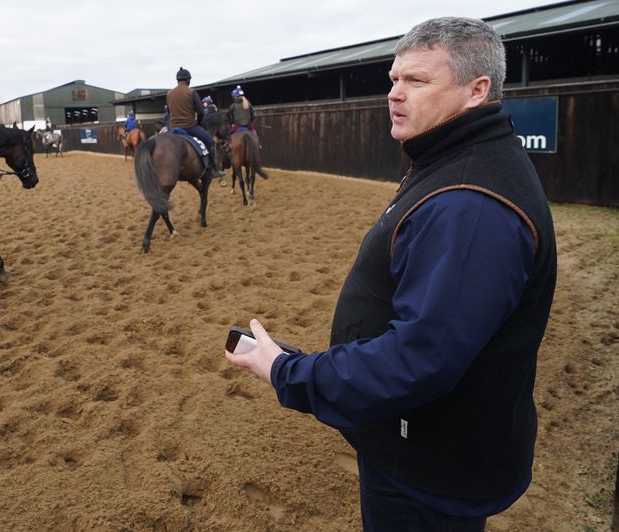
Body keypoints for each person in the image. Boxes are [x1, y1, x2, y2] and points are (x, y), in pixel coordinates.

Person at [225, 16, 557, 531]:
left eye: (416, 81)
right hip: (419, 441)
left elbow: (420, 358)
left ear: (477, 90)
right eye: (394, 79)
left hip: (427, 467)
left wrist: (288, 372)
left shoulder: (469, 204)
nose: (395, 94)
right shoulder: (456, 161)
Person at [166, 67, 217, 171]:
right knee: (210, 142)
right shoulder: (191, 92)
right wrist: (198, 123)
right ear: (188, 80)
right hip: (189, 127)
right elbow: (201, 112)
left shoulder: (169, 93)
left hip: (173, 127)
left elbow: (168, 112)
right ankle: (212, 168)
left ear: (177, 80)